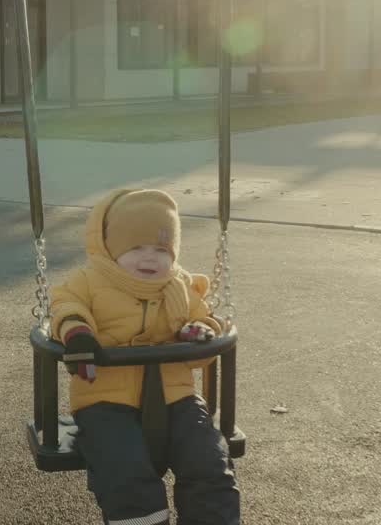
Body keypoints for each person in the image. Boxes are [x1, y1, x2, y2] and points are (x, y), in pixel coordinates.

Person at [51, 188, 241, 525]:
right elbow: (65, 307)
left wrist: (199, 329)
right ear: (110, 247)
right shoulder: (87, 280)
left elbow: (204, 319)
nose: (149, 258)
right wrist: (76, 332)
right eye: (136, 248)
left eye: (160, 249)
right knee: (123, 470)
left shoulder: (181, 285)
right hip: (104, 399)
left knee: (209, 461)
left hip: (177, 396)